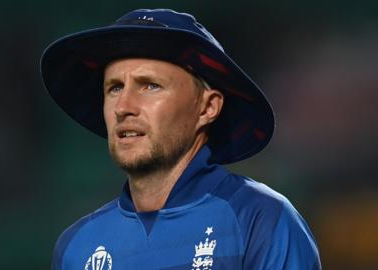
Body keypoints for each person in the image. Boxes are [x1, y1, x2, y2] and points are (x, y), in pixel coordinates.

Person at [41, 8, 321, 270]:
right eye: (114, 88)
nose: (123, 106)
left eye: (150, 86)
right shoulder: (77, 247)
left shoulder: (261, 221)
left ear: (207, 107)